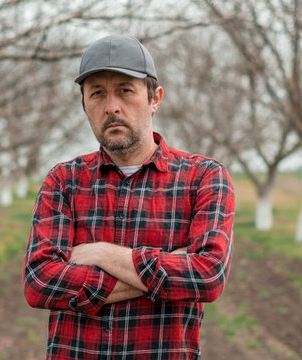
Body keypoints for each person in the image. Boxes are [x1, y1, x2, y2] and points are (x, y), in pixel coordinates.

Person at [22, 34, 235, 360]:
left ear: (155, 98)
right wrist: (171, 265)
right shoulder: (63, 181)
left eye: (125, 90)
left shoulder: (202, 178)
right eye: (97, 94)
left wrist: (102, 254)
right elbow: (39, 282)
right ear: (84, 104)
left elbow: (207, 276)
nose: (111, 107)